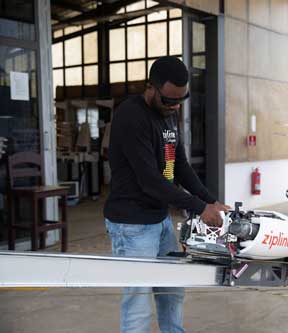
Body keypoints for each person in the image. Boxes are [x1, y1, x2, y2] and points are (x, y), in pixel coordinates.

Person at [104, 56, 229, 333]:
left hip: (159, 220)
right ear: (151, 87)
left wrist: (209, 200)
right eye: (169, 100)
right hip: (131, 225)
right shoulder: (130, 116)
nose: (174, 107)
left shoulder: (168, 115)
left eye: (180, 101)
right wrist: (199, 207)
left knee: (172, 290)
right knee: (138, 300)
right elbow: (150, 180)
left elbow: (180, 166)